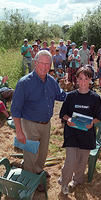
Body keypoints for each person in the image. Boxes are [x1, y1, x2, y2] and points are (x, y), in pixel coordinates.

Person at [11, 50, 66, 188]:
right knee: (30, 153)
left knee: (42, 151)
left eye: (48, 64)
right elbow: (15, 110)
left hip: (46, 123)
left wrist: (78, 94)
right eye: (42, 63)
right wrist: (19, 131)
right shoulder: (24, 83)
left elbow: (61, 95)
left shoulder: (51, 81)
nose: (45, 67)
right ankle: (31, 182)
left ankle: (38, 169)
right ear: (35, 63)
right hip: (29, 124)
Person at [58, 66, 101, 195]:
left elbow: (98, 117)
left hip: (87, 134)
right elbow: (63, 114)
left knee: (82, 162)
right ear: (77, 79)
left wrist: (91, 123)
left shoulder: (95, 98)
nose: (83, 82)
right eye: (81, 78)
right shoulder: (71, 96)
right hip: (72, 133)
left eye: (86, 79)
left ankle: (77, 180)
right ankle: (65, 183)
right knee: (70, 161)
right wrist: (69, 120)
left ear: (90, 80)